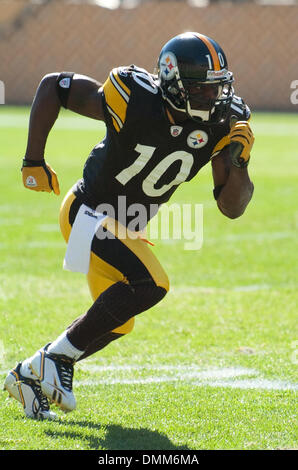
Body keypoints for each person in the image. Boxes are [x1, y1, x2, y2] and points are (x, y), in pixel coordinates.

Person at [4, 32, 254, 420]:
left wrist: (238, 161)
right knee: (153, 283)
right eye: (203, 90)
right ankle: (54, 360)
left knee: (119, 320)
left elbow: (231, 208)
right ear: (173, 85)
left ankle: (29, 373)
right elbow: (55, 85)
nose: (213, 99)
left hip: (126, 226)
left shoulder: (224, 121)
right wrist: (33, 159)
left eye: (217, 89)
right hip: (86, 210)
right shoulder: (134, 97)